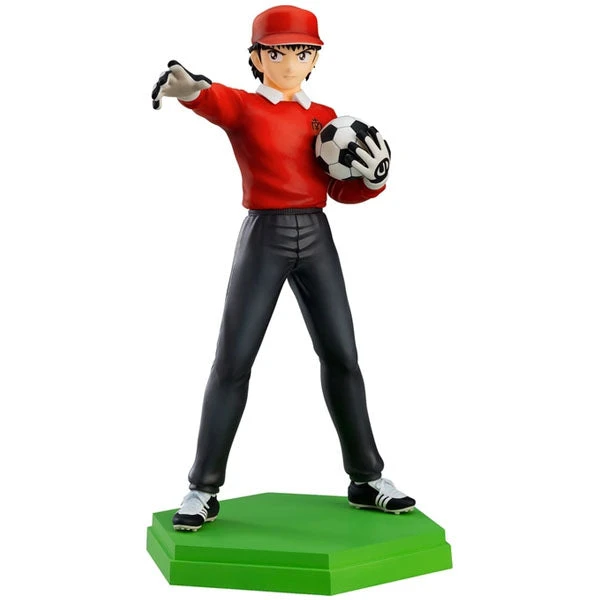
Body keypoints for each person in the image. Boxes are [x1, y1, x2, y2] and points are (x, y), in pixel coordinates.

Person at [152, 5, 416, 532]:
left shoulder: (327, 117)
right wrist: (190, 91)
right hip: (264, 236)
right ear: (257, 57)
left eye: (302, 52)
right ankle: (202, 488)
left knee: (342, 356)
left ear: (315, 58)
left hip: (317, 234)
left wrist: (373, 179)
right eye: (277, 53)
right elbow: (215, 99)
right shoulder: (247, 107)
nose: (290, 63)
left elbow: (338, 189)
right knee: (234, 359)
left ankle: (366, 479)